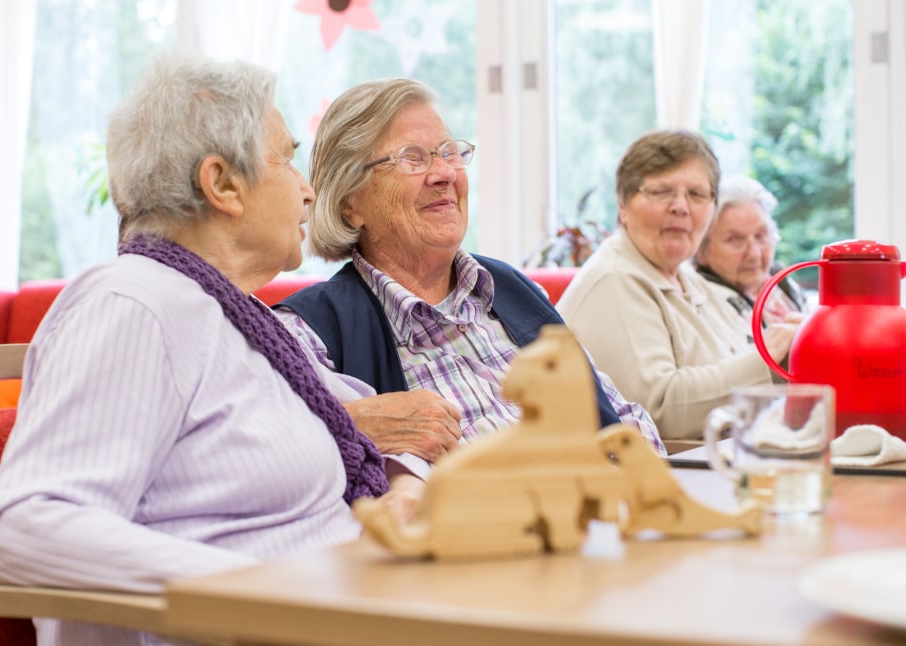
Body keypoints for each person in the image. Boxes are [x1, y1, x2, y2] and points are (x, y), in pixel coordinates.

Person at [0, 53, 423, 646]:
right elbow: (26, 524)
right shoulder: (133, 303)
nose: (308, 190)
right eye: (287, 160)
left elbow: (361, 438)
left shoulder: (241, 318)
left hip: (339, 641)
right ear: (223, 184)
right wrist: (268, 595)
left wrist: (402, 490)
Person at [273, 77, 665, 460]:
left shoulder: (514, 290)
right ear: (349, 203)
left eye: (449, 153)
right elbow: (279, 460)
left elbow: (623, 417)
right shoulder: (310, 334)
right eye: (412, 157)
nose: (444, 173)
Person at [556, 130, 798, 441]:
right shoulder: (614, 280)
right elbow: (656, 412)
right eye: (661, 191)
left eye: (696, 194)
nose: (681, 207)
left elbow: (736, 364)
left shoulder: (690, 279)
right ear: (623, 205)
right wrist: (769, 358)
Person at [694, 174, 808, 325]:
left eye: (761, 236)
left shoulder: (781, 282)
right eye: (735, 240)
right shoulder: (703, 305)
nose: (754, 254)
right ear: (701, 250)